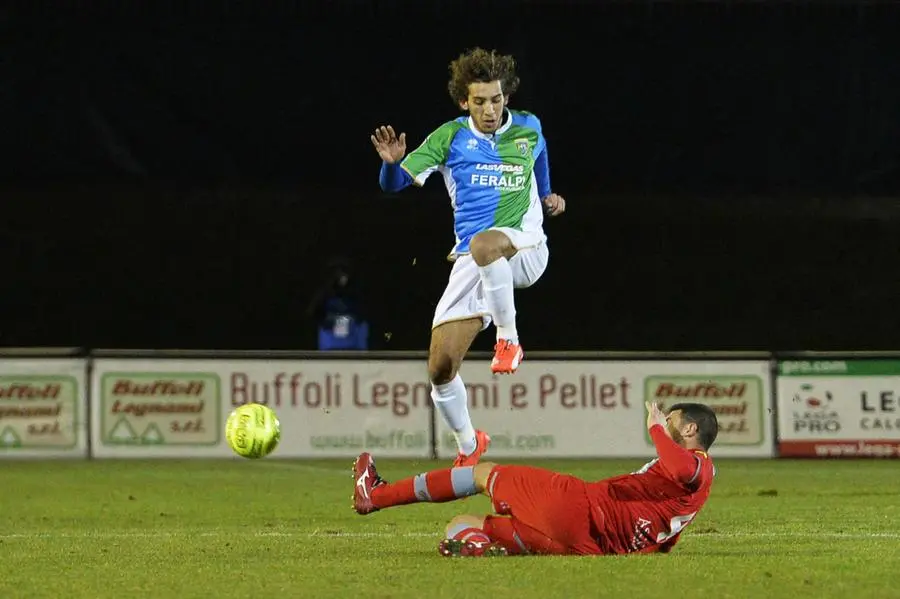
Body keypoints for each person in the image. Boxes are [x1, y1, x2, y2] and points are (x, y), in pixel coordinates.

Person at [371, 47, 567, 467]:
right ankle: (467, 444)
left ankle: (508, 341)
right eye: (480, 101)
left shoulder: (528, 127)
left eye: (496, 99)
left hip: (526, 248)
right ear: (464, 101)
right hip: (474, 260)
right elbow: (394, 185)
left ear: (506, 96)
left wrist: (548, 194)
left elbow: (540, 155)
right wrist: (390, 165)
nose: (490, 109)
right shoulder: (450, 137)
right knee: (440, 369)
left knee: (484, 244)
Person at [352, 402, 719, 557]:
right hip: (585, 547)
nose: (663, 421)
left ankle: (376, 495)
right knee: (462, 523)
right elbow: (668, 539)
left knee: (483, 473)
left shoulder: (697, 466)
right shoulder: (692, 493)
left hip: (579, 506)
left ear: (689, 428)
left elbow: (682, 467)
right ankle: (473, 545)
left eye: (672, 419)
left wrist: (655, 426)